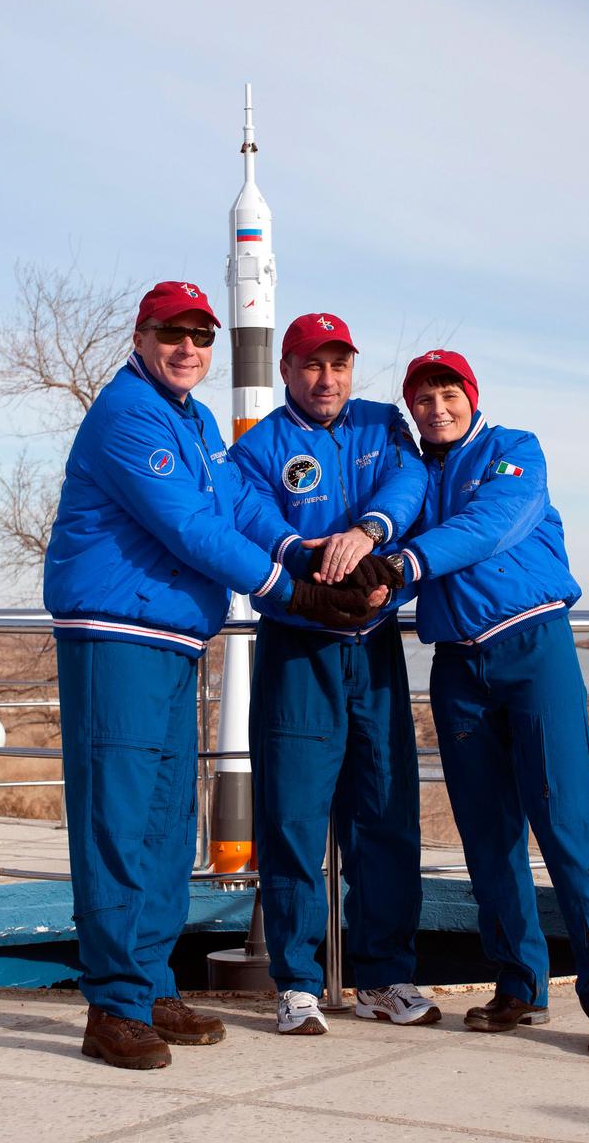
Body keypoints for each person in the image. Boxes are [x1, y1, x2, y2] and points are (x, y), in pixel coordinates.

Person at [43, 283, 377, 1070]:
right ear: (143, 334)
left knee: (165, 823)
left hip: (173, 638)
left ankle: (150, 982)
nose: (189, 347)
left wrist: (306, 554)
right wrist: (285, 590)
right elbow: (188, 526)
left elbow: (237, 509)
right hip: (116, 634)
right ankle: (112, 1005)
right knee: (120, 819)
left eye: (201, 335)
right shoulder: (130, 413)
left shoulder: (192, 422)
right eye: (174, 333)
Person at [393, 348, 589, 1057]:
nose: (437, 408)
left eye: (448, 393)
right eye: (424, 398)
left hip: (533, 652)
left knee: (568, 823)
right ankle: (520, 983)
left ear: (471, 396)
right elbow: (393, 556)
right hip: (458, 667)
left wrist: (404, 561)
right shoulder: (411, 477)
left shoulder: (512, 452)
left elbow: (490, 525)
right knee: (488, 833)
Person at [230, 312, 441, 1035]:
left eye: (340, 365)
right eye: (313, 365)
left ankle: (385, 976)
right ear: (287, 370)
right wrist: (304, 556)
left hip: (375, 645)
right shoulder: (259, 445)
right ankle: (296, 982)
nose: (328, 379)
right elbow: (249, 515)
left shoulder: (383, 425)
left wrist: (369, 535)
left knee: (383, 811)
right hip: (298, 648)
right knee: (292, 817)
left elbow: (410, 482)